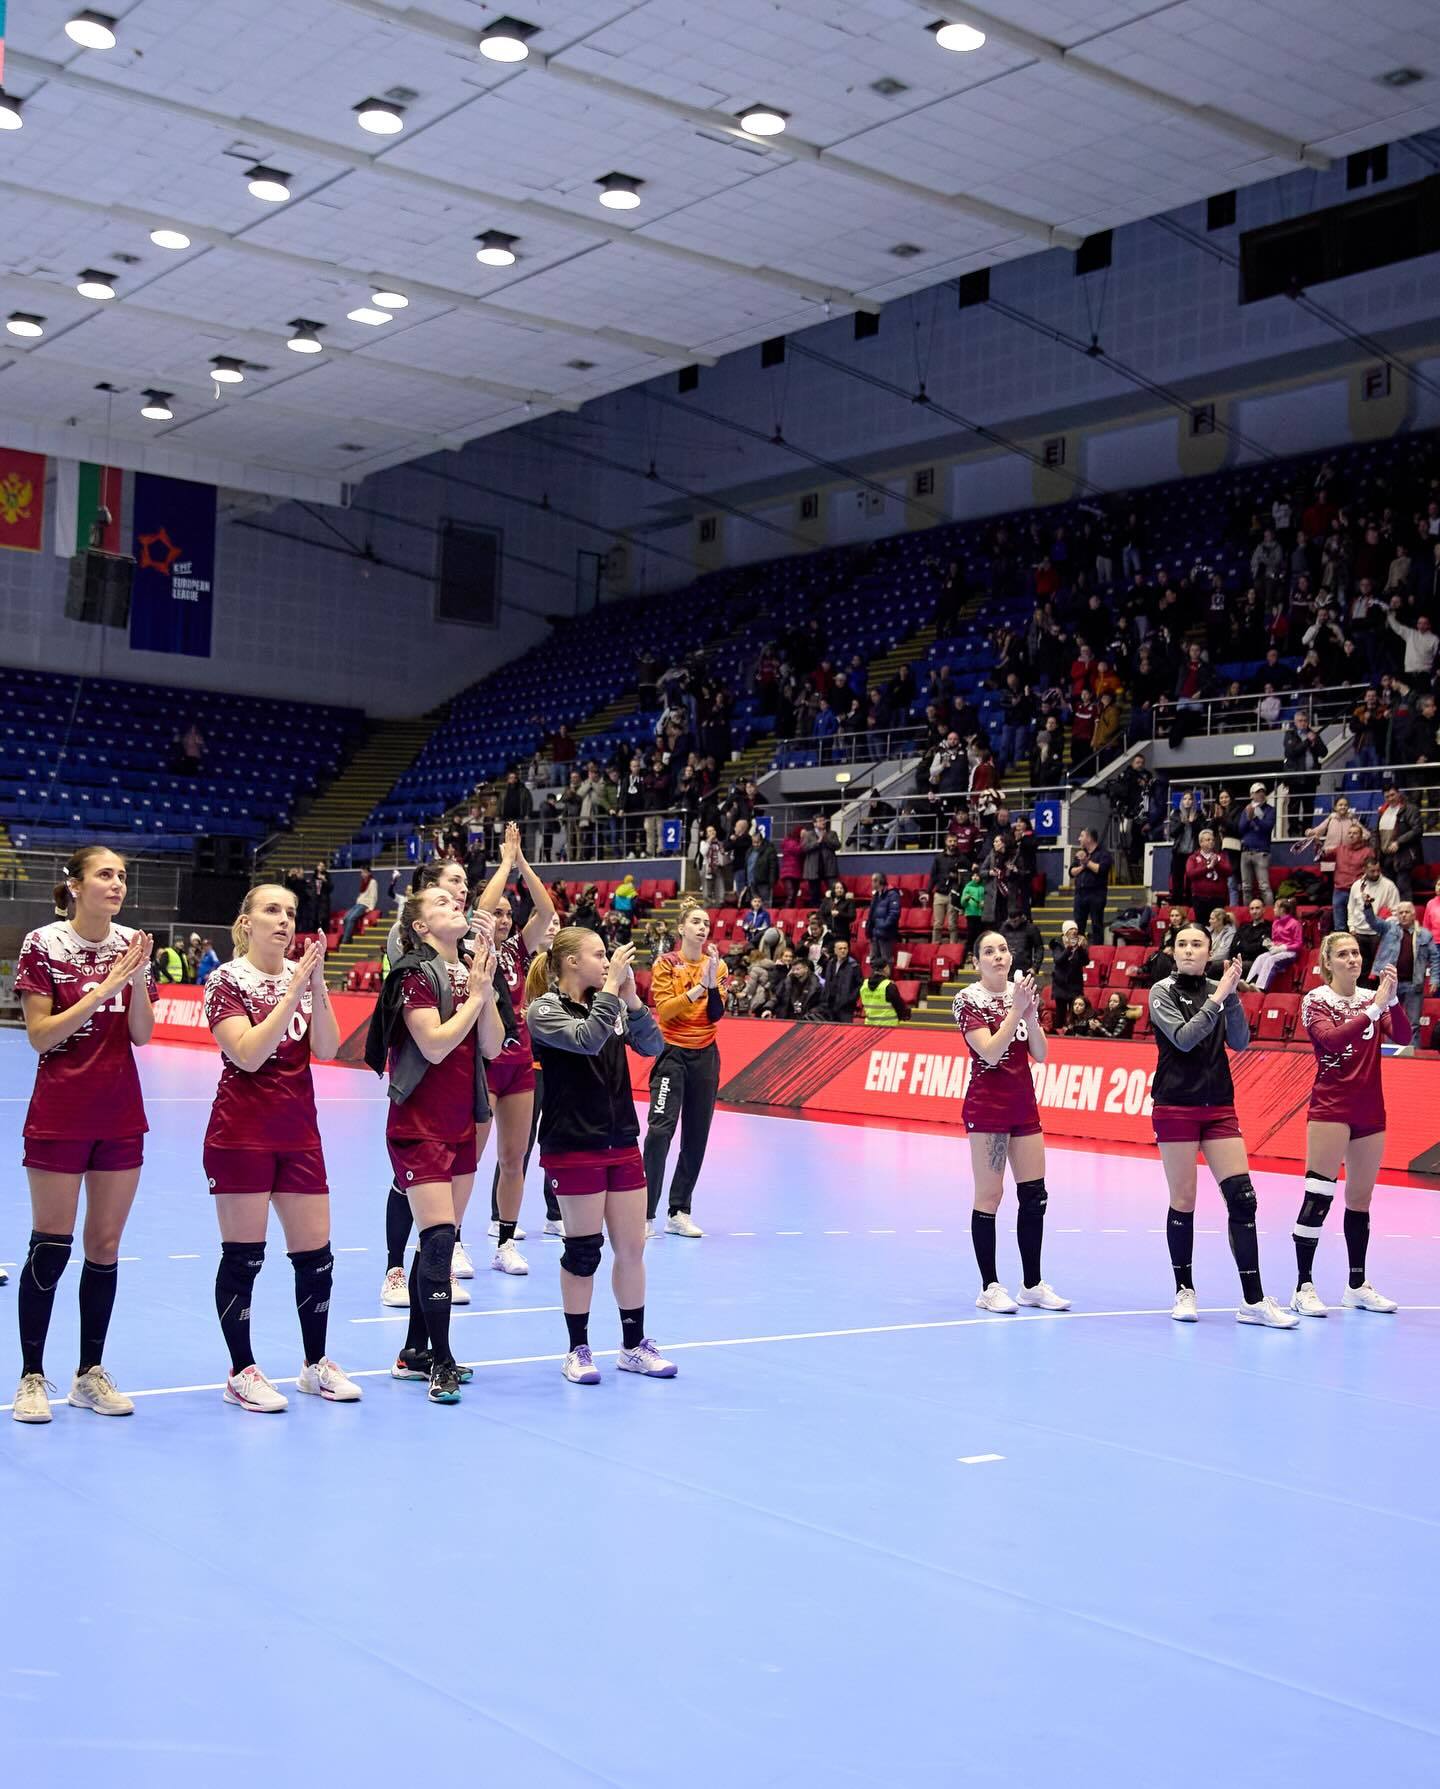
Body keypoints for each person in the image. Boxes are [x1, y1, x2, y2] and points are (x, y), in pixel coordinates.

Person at [11, 847, 155, 1423]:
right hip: (60, 1113)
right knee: (51, 1243)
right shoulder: (42, 944)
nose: (117, 884)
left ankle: (88, 1373)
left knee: (105, 1246)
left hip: (120, 1114)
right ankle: (31, 1376)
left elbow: (141, 1034)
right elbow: (40, 1036)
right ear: (74, 885)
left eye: (122, 876)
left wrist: (136, 978)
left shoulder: (132, 945)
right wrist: (102, 990)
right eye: (105, 874)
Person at [203, 887, 360, 1412]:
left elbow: (327, 1048)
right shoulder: (226, 980)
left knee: (316, 1258)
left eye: (290, 913)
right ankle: (241, 1371)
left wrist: (315, 983)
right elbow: (247, 1055)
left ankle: (315, 1364)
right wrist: (292, 993)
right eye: (272, 910)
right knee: (244, 1258)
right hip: (241, 1135)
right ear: (246, 922)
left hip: (299, 1135)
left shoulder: (302, 977)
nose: (284, 921)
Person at [370, 883, 505, 1405]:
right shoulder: (413, 973)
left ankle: (413, 1353)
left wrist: (483, 990)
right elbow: (433, 1044)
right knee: (441, 1240)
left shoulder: (473, 969)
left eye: (457, 899)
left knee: (435, 1245)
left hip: (461, 1121)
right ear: (421, 926)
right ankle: (442, 1361)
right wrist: (475, 998)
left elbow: (491, 1045)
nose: (456, 903)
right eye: (441, 902)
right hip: (419, 1124)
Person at [525, 933, 676, 1385]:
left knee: (632, 1248)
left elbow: (653, 1046)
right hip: (573, 1144)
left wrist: (631, 999)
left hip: (621, 1138)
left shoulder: (608, 1005)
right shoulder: (544, 1010)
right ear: (572, 961)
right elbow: (588, 1039)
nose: (607, 961)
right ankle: (578, 1348)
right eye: (599, 955)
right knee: (584, 1250)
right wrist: (612, 990)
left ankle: (633, 1345)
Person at [1148, 924, 1297, 1327]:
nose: (1189, 950)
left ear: (1209, 951)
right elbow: (1183, 1038)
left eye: (1197, 944)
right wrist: (1218, 997)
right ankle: (1184, 1291)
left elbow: (1241, 1041)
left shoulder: (1220, 988)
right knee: (1184, 1200)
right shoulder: (1161, 991)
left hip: (1218, 1106)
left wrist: (1230, 997)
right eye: (1182, 944)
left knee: (1243, 1198)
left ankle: (1253, 1300)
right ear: (1174, 951)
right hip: (1175, 1106)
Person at [1289, 933, 1410, 1317]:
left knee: (1360, 1201)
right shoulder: (1316, 1000)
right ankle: (1303, 1286)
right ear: (1328, 963)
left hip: (1370, 1111)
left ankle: (1356, 1285)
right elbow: (1332, 1040)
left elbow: (1404, 1036)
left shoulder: (1372, 997)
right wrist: (1375, 1009)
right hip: (1331, 1108)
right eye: (1343, 954)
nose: (1353, 959)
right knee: (1318, 1197)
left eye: (1356, 952)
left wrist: (1392, 1000)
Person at [952, 932, 1069, 1313]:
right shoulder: (967, 1000)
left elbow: (1041, 1053)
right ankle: (989, 1287)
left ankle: (1032, 1285)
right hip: (988, 1109)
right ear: (976, 962)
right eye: (988, 951)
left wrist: (1030, 1015)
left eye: (1002, 949)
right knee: (990, 1196)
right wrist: (1017, 1011)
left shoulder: (1019, 995)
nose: (998, 956)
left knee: (1035, 1195)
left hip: (1023, 1106)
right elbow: (989, 1052)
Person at [475, 823, 561, 1267]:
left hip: (519, 1061)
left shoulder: (516, 952)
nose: (504, 919)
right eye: (498, 913)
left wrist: (522, 863)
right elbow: (482, 911)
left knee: (514, 1158)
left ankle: (505, 1243)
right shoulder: (471, 949)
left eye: (509, 913)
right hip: (483, 1061)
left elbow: (546, 911)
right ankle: (452, 1244)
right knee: (468, 1159)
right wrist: (504, 863)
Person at [643, 902, 727, 1241]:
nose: (702, 927)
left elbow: (716, 1014)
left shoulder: (717, 966)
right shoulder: (666, 963)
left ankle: (679, 1211)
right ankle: (644, 1214)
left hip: (705, 1055)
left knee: (696, 1134)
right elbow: (666, 1011)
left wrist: (712, 984)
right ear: (681, 928)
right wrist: (699, 988)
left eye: (706, 922)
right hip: (672, 1054)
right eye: (695, 921)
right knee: (659, 1131)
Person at [1366, 898, 1436, 1039]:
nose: (1404, 915)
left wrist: (1435, 979)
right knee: (1391, 1022)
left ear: (1414, 914)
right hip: (1391, 984)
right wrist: (1367, 906)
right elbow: (1373, 922)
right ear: (1397, 915)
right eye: (1401, 912)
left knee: (1413, 1024)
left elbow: (1435, 958)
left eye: (1407, 912)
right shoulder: (1388, 928)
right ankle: (1391, 1051)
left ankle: (1413, 1052)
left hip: (1413, 985)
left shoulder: (1425, 935)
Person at [1346, 856, 1399, 979]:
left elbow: (1395, 911)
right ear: (1364, 869)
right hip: (1359, 933)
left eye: (1378, 870)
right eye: (1372, 871)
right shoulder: (1356, 886)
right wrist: (1351, 927)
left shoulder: (1389, 886)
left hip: (1378, 934)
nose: (1376, 873)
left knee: (1379, 971)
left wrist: (1385, 929)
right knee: (1360, 970)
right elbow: (1351, 908)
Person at [1247, 897, 1302, 991]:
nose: (1273, 910)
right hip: (1277, 950)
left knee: (1271, 960)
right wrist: (1270, 944)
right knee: (1260, 958)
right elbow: (1275, 940)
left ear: (1282, 909)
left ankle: (1261, 988)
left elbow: (1298, 944)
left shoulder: (1295, 923)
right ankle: (1249, 982)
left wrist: (1283, 948)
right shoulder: (1276, 923)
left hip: (1290, 952)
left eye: (1275, 907)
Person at [1184, 828, 1231, 927]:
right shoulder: (1193, 858)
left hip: (1218, 898)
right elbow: (1190, 874)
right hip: (1199, 898)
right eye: (1208, 840)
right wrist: (1208, 867)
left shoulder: (1220, 857)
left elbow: (1229, 871)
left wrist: (1216, 864)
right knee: (1202, 926)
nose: (1211, 842)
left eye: (1212, 840)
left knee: (1218, 925)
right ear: (1201, 842)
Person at [1070, 828, 1111, 944]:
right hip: (1080, 894)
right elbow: (1072, 872)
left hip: (1096, 894)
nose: (1079, 839)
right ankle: (1078, 949)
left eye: (1081, 836)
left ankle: (1098, 950)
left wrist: (1087, 862)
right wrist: (1083, 866)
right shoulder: (1080, 854)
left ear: (1089, 838)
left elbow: (1100, 869)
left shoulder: (1103, 854)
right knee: (1078, 925)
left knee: (1096, 924)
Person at [1238, 783, 1275, 904]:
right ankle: (1247, 913)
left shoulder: (1270, 810)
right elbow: (1241, 829)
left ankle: (1269, 912)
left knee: (1264, 886)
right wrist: (1249, 818)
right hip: (1246, 852)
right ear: (1251, 795)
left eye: (1262, 791)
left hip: (1261, 853)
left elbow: (1267, 827)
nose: (1261, 794)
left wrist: (1254, 818)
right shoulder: (1246, 809)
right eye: (1257, 792)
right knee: (1246, 887)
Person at [823, 937, 863, 1021]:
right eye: (840, 948)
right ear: (835, 950)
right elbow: (827, 982)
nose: (843, 951)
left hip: (846, 1007)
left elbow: (859, 984)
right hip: (830, 1004)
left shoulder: (853, 965)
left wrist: (850, 999)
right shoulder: (831, 963)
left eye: (845, 948)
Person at [337, 866, 378, 947]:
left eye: (364, 872)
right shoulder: (363, 882)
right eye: (361, 872)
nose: (362, 874)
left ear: (368, 873)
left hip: (365, 905)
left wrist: (371, 908)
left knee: (351, 918)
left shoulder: (372, 881)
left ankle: (345, 941)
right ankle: (348, 937)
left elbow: (374, 895)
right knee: (345, 918)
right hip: (358, 904)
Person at [867, 873, 901, 971]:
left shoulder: (892, 894)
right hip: (875, 933)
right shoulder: (876, 895)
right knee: (873, 959)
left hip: (886, 934)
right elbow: (871, 914)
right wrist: (870, 929)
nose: (871, 883)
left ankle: (886, 979)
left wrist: (883, 926)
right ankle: (874, 978)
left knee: (886, 960)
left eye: (873, 881)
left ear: (879, 881)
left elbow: (894, 914)